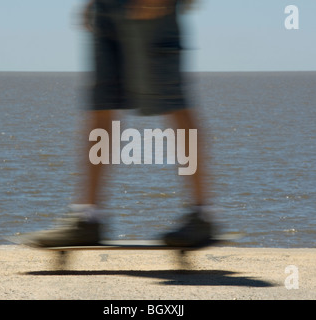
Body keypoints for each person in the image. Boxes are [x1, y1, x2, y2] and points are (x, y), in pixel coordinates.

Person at [24, 0, 216, 248]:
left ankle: (203, 215)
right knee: (100, 107)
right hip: (106, 9)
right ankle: (88, 217)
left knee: (173, 103)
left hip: (152, 8)